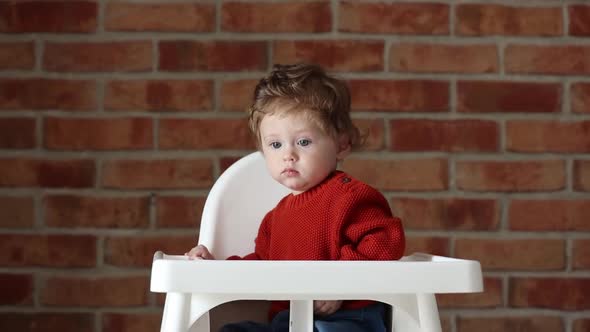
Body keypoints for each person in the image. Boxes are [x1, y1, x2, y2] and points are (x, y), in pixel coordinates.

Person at [185, 63, 405, 332]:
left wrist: (341, 285)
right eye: (275, 145)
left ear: (341, 143)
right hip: (287, 323)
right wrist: (214, 268)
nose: (288, 154)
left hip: (345, 321)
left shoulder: (351, 197)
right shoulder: (274, 219)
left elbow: (385, 242)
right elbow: (261, 267)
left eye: (303, 142)